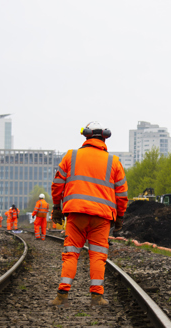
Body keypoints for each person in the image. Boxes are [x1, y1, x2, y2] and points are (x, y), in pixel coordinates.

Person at [50, 122, 128, 307]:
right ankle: (96, 297)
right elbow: (122, 194)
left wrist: (56, 206)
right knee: (98, 255)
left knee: (71, 253)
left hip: (76, 214)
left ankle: (62, 295)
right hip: (102, 217)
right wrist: (120, 216)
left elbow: (57, 184)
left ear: (86, 137)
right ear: (104, 138)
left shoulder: (71, 156)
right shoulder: (114, 161)